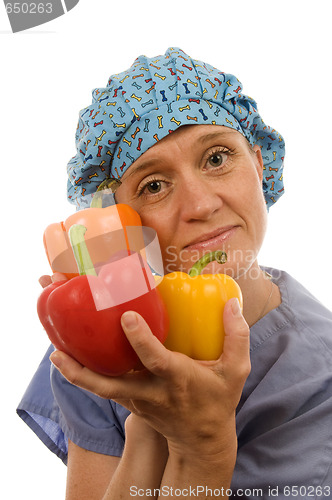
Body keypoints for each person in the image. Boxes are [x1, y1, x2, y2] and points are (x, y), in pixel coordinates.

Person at [17, 48, 332, 499]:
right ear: (121, 220)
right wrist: (147, 422)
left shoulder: (321, 388)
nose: (201, 205)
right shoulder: (103, 331)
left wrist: (203, 446)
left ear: (260, 165)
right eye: (155, 186)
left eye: (218, 158)